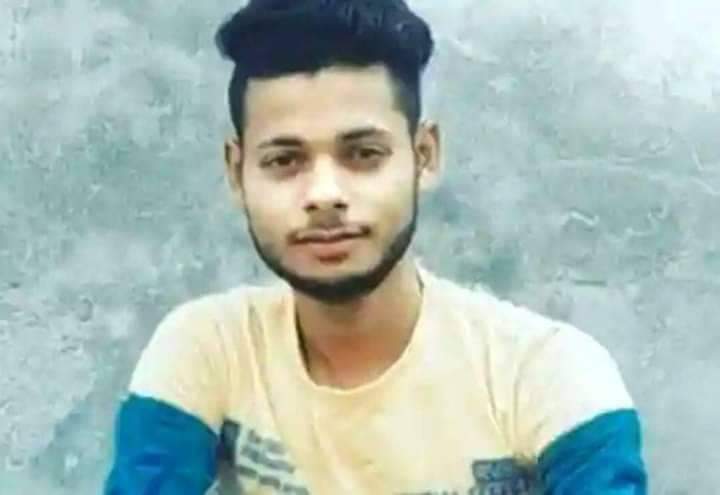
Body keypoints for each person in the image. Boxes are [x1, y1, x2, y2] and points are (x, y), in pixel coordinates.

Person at [104, 0, 648, 493]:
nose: (324, 195)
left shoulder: (548, 375)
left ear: (424, 155)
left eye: (363, 154)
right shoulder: (210, 349)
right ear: (236, 171)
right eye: (284, 161)